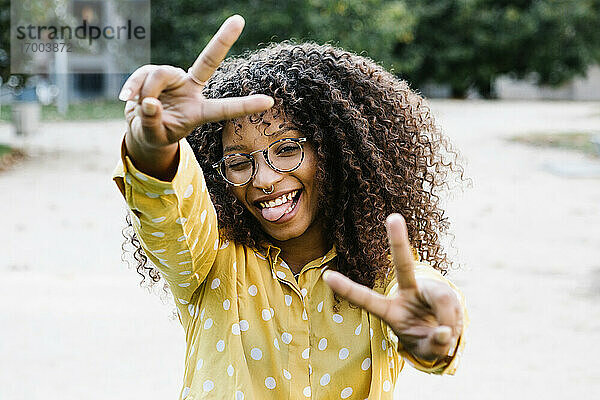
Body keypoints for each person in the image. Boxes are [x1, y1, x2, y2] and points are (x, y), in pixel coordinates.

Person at [113, 15, 468, 400]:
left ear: (335, 153)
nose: (263, 179)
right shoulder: (209, 260)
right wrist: (154, 147)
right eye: (238, 162)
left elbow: (419, 296)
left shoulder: (381, 273)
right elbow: (170, 218)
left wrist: (431, 330)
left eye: (287, 149)